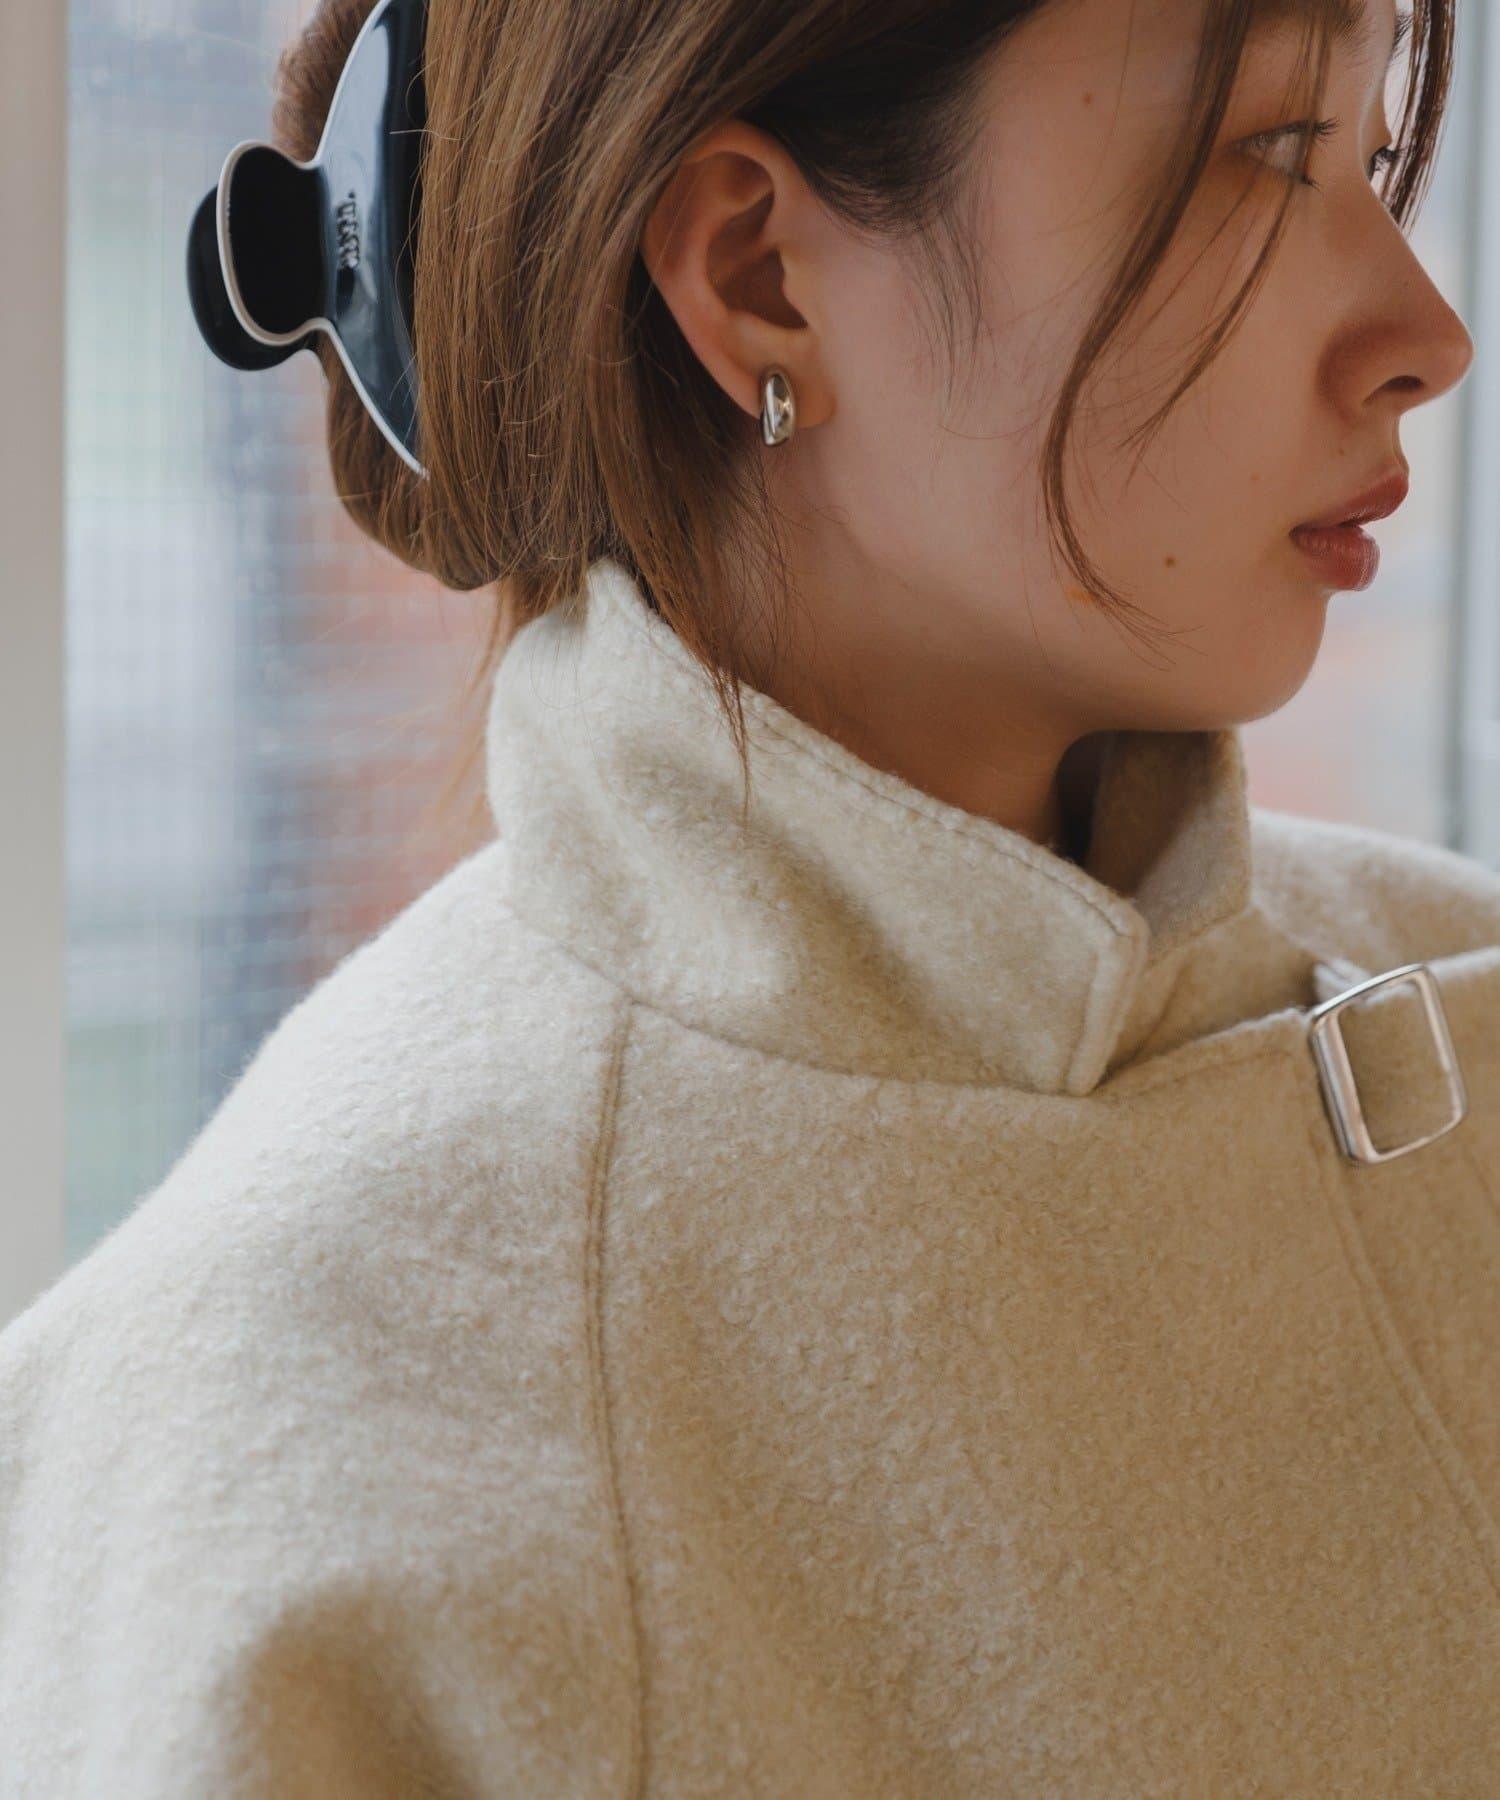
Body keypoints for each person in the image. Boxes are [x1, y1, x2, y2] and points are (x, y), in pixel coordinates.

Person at [4, 0, 1499, 1791]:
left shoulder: (1465, 1001)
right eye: (1268, 155)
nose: (1429, 335)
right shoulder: (296, 1432)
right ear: (758, 274)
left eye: (1374, 154)